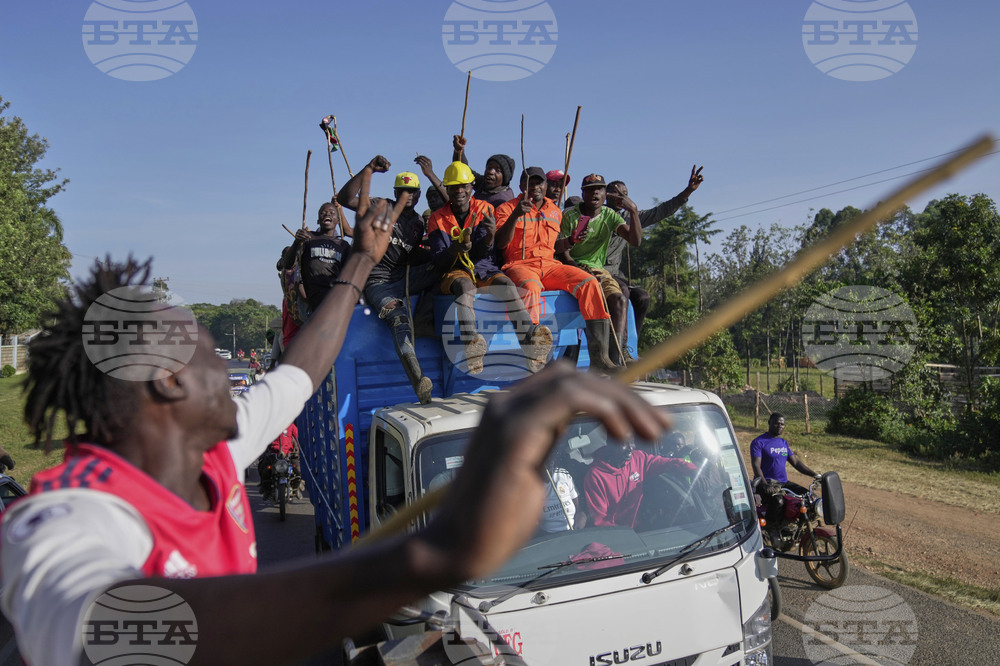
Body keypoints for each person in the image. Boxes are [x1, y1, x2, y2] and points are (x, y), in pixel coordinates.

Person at [0, 196, 672, 666]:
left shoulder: (211, 453)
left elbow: (297, 373)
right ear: (169, 383)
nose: (239, 368)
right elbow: (104, 632)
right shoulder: (64, 519)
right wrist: (437, 553)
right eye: (208, 346)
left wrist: (359, 261)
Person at [428, 161, 552, 375]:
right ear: (447, 189)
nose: (459, 191)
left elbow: (485, 253)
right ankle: (472, 345)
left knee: (506, 284)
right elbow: (439, 261)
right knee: (465, 287)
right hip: (455, 269)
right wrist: (456, 249)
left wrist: (489, 238)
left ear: (471, 188)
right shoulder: (436, 218)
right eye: (454, 187)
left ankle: (530, 340)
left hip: (483, 266)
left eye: (464, 186)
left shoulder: (484, 209)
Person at [495, 167, 618, 372]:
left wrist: (570, 241)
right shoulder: (507, 208)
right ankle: (535, 358)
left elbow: (554, 247)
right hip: (520, 265)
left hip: (550, 265)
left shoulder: (555, 210)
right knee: (530, 287)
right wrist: (516, 215)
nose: (535, 187)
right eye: (529, 183)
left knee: (590, 282)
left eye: (539, 183)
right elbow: (500, 244)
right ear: (520, 187)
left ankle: (599, 358)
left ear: (545, 186)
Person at [338, 156, 439, 403]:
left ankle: (427, 321)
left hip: (402, 277)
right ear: (395, 192)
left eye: (412, 192)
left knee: (443, 265)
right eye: (403, 191)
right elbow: (344, 199)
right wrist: (369, 169)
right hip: (376, 282)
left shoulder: (417, 224)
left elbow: (412, 253)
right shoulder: (380, 206)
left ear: (418, 195)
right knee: (399, 320)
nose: (408, 195)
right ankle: (418, 380)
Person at [603, 167, 705, 340]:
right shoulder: (599, 215)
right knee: (623, 293)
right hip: (598, 271)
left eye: (625, 193)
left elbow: (661, 211)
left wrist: (688, 191)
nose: (622, 197)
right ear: (607, 195)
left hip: (615, 273)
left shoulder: (629, 218)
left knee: (643, 297)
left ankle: (631, 344)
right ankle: (618, 345)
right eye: (617, 193)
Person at [561, 174, 642, 363]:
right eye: (590, 189)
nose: (595, 193)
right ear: (582, 193)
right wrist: (580, 269)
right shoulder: (569, 215)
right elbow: (562, 253)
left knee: (620, 300)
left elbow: (635, 241)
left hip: (599, 270)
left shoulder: (610, 215)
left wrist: (634, 212)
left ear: (605, 194)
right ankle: (596, 361)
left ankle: (616, 360)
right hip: (572, 269)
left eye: (599, 189)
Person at [583, 438, 696, 528]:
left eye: (632, 442)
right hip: (616, 536)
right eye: (624, 443)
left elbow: (670, 463)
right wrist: (626, 537)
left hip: (640, 528)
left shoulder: (638, 458)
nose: (630, 448)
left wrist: (692, 470)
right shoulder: (595, 476)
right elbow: (600, 521)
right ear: (610, 445)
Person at [750, 413, 822, 530]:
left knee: (809, 498)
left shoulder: (783, 444)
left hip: (783, 483)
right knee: (779, 501)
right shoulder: (758, 442)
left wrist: (815, 475)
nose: (779, 426)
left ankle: (799, 527)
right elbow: (756, 465)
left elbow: (796, 463)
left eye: (782, 424)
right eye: (776, 423)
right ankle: (771, 530)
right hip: (766, 484)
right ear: (769, 423)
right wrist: (764, 484)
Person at [451, 135, 516, 208]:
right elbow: (464, 171)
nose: (491, 172)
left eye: (497, 170)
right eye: (489, 167)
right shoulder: (483, 184)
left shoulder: (504, 201)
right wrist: (459, 151)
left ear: (505, 178)